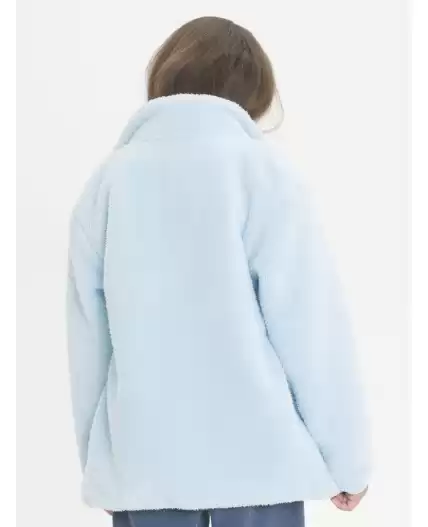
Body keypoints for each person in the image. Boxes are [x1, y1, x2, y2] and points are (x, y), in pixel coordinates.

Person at [67, 16, 370, 527]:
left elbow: (88, 343)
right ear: (255, 94)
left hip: (147, 467)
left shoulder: (108, 183)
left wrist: (100, 467)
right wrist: (348, 460)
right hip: (258, 464)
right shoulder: (263, 173)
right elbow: (311, 330)